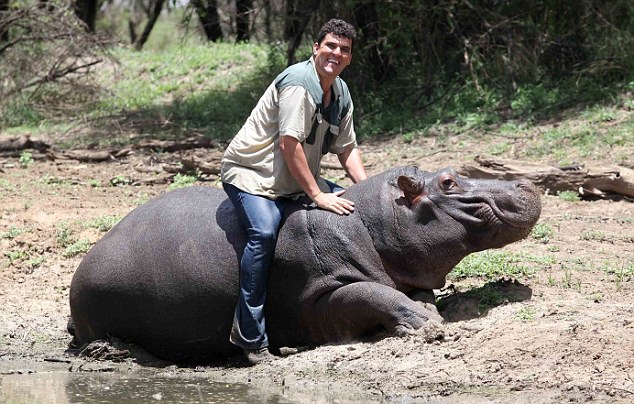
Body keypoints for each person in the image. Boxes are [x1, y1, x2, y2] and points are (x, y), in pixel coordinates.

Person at [220, 18, 368, 365]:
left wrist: (366, 189)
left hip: (292, 181)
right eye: (330, 45)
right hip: (253, 177)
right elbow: (289, 144)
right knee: (265, 232)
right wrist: (317, 195)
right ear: (315, 48)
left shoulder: (340, 93)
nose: (336, 53)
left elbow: (347, 149)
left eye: (344, 50)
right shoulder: (300, 84)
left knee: (351, 206)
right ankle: (250, 335)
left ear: (349, 57)